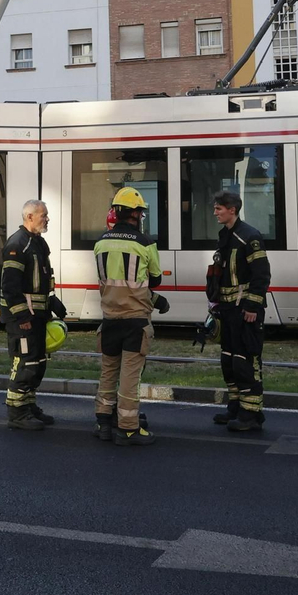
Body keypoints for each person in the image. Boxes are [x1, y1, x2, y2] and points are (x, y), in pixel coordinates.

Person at [93, 186, 167, 446]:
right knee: (130, 378)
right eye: (140, 212)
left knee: (108, 372)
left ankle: (103, 421)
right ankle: (127, 428)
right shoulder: (145, 244)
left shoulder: (100, 242)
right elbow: (154, 280)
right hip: (135, 320)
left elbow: (115, 283)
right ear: (135, 214)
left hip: (109, 318)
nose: (142, 216)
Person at [0, 199, 65, 430]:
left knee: (37, 363)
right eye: (43, 215)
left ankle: (28, 407)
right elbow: (10, 287)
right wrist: (23, 317)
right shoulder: (17, 244)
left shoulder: (37, 243)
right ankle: (16, 413)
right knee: (25, 364)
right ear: (29, 217)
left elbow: (44, 278)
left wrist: (53, 301)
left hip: (38, 316)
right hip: (22, 320)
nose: (47, 219)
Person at [208, 190, 270, 433]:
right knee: (229, 360)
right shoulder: (226, 236)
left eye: (218, 209)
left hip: (245, 311)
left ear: (232, 209)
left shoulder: (250, 237)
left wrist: (252, 306)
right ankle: (235, 407)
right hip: (227, 311)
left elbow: (261, 275)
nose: (215, 213)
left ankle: (251, 414)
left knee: (246, 361)